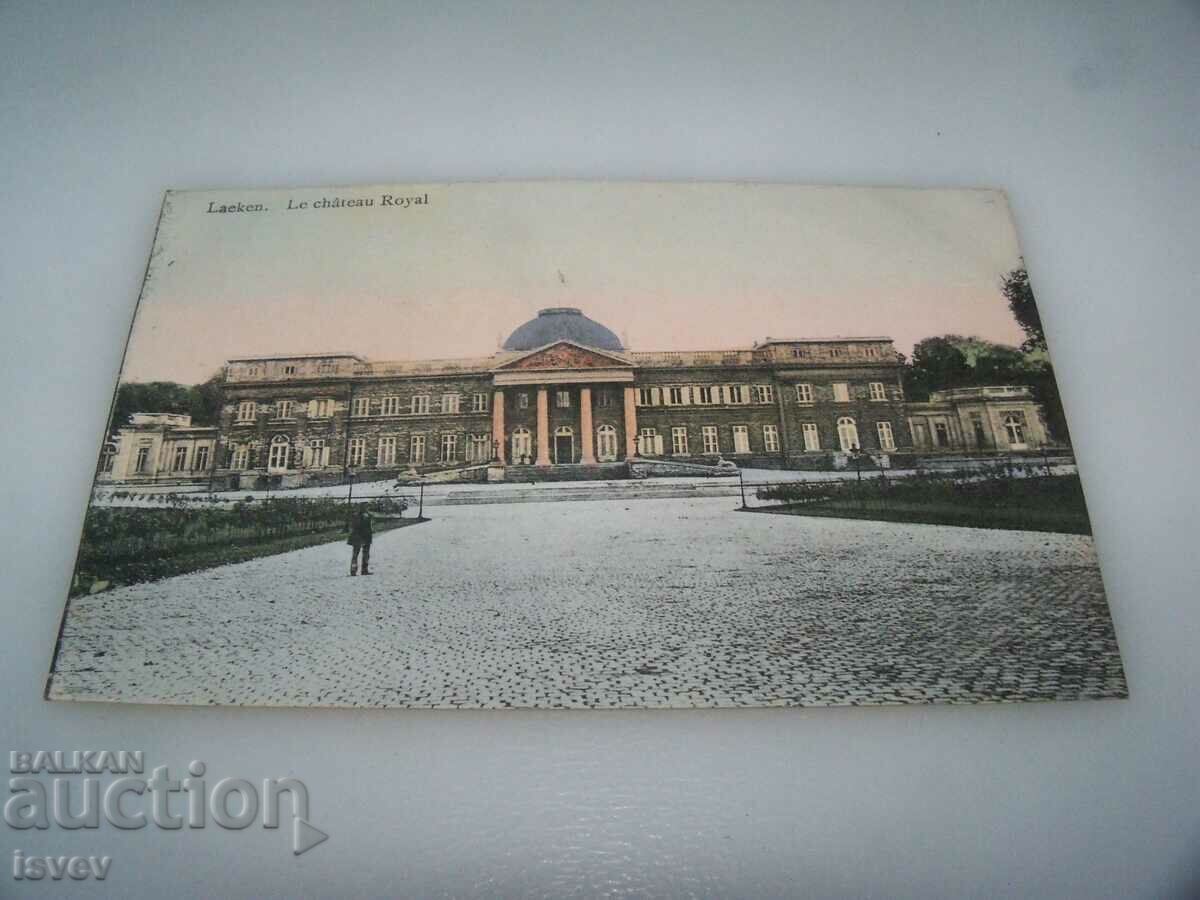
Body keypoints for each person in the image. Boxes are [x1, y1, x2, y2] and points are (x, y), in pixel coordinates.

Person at [347, 506, 373, 576]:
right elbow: (356, 526)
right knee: (356, 554)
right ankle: (354, 570)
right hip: (358, 537)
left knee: (365, 554)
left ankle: (363, 570)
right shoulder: (357, 516)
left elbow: (369, 527)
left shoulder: (368, 515)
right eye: (365, 506)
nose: (367, 508)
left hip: (366, 537)